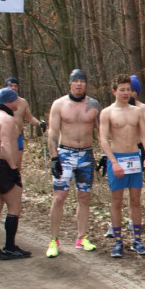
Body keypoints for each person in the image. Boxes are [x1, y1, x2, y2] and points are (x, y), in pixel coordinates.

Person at [46, 69, 101, 257]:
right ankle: (54, 239)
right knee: (59, 196)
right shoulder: (59, 104)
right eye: (75, 81)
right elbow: (52, 131)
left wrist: (105, 155)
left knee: (84, 197)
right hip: (65, 153)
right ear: (70, 83)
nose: (79, 84)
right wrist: (54, 157)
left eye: (82, 81)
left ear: (86, 83)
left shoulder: (94, 105)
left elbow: (101, 131)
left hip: (86, 154)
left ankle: (81, 237)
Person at [100, 74, 145, 257]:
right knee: (116, 201)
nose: (125, 93)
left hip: (134, 158)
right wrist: (113, 162)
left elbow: (144, 135)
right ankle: (117, 242)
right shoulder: (107, 112)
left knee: (136, 201)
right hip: (117, 158)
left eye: (128, 89)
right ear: (114, 91)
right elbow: (103, 139)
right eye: (121, 89)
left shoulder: (137, 111)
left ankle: (137, 240)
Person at [0, 88, 30, 259]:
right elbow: (5, 145)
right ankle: (9, 246)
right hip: (3, 166)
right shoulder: (7, 120)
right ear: (10, 101)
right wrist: (13, 167)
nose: (19, 102)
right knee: (15, 206)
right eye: (16, 99)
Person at [0, 76, 46, 171]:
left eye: (15, 86)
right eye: (11, 86)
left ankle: (16, 180)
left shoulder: (22, 102)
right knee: (3, 162)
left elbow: (30, 117)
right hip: (1, 137)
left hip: (17, 137)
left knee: (17, 164)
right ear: (6, 87)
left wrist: (39, 123)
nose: (13, 88)